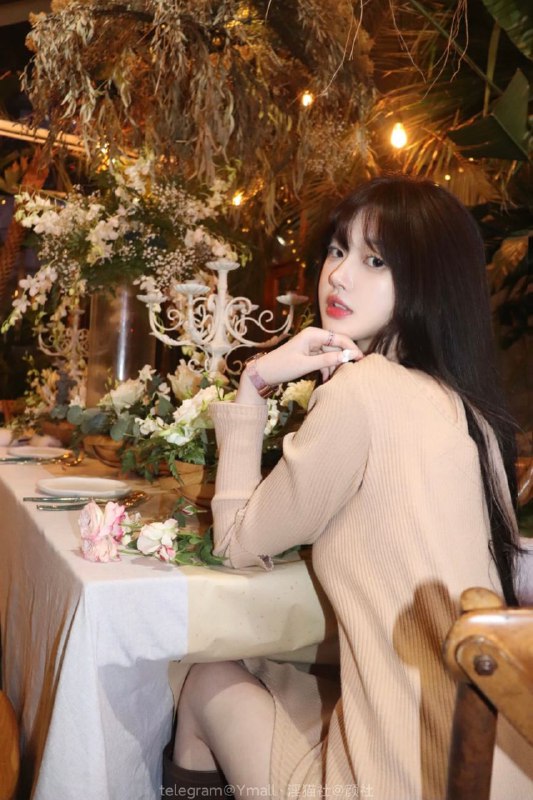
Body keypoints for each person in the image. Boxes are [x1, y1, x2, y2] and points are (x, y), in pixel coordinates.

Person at [163, 176, 533, 799]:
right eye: (337, 251)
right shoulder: (480, 419)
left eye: (375, 260)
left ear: (428, 281)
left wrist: (254, 384)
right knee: (269, 669)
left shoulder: (362, 392)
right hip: (491, 762)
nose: (338, 275)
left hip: (394, 778)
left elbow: (234, 543)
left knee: (202, 677)